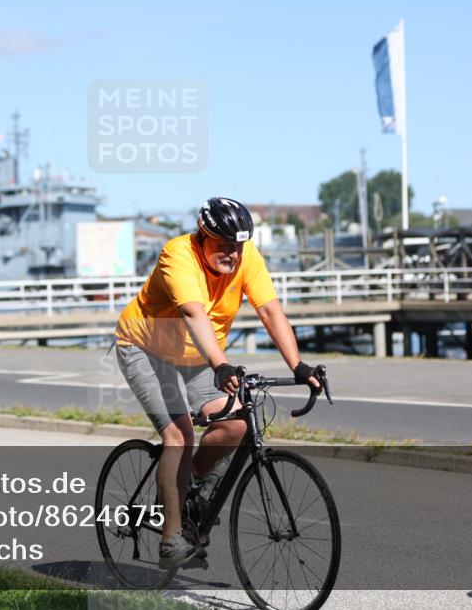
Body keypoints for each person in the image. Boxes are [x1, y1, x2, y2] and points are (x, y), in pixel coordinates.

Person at [114, 197, 321, 569]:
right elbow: (194, 313)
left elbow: (270, 311)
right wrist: (222, 364)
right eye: (224, 244)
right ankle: (170, 540)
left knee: (238, 423)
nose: (233, 254)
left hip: (198, 356)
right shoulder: (178, 255)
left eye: (238, 245)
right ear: (202, 237)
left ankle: (188, 481)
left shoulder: (246, 257)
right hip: (146, 349)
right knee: (179, 435)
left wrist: (299, 365)